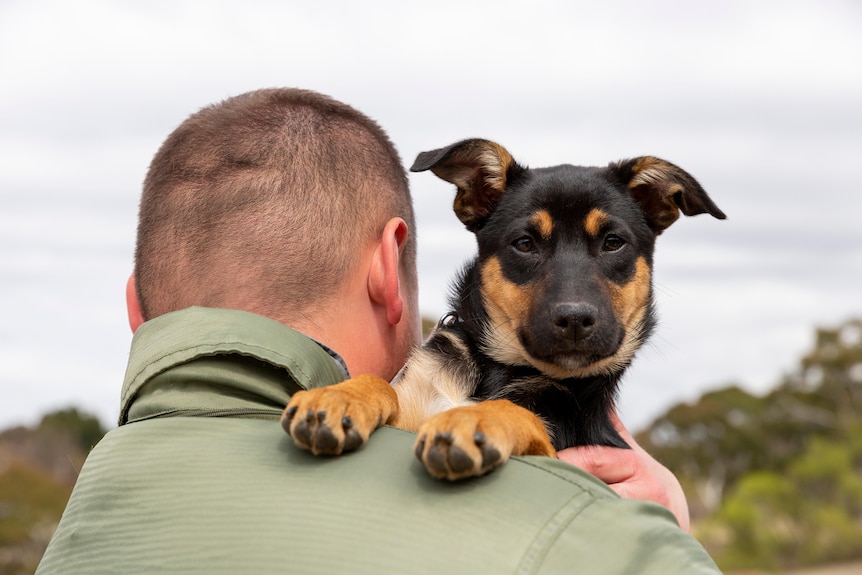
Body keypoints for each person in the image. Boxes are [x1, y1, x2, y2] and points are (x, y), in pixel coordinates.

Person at [37, 88, 718, 574]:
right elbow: (408, 399)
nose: (572, 301)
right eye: (527, 247)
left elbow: (539, 433)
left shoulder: (92, 505)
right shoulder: (619, 527)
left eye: (610, 247)